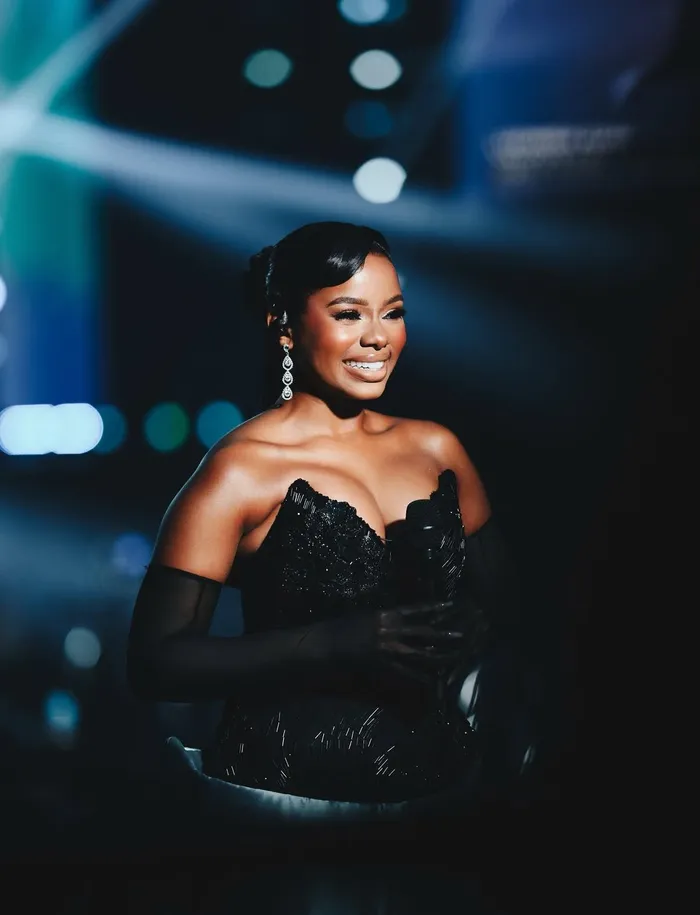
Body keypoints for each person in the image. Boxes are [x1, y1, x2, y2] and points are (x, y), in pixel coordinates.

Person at [126, 222, 523, 909]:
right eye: (348, 313)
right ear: (284, 323)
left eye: (392, 312)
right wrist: (335, 643)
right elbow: (154, 661)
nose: (377, 337)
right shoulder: (240, 471)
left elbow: (514, 610)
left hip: (443, 801)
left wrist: (469, 631)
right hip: (287, 812)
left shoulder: (437, 449)